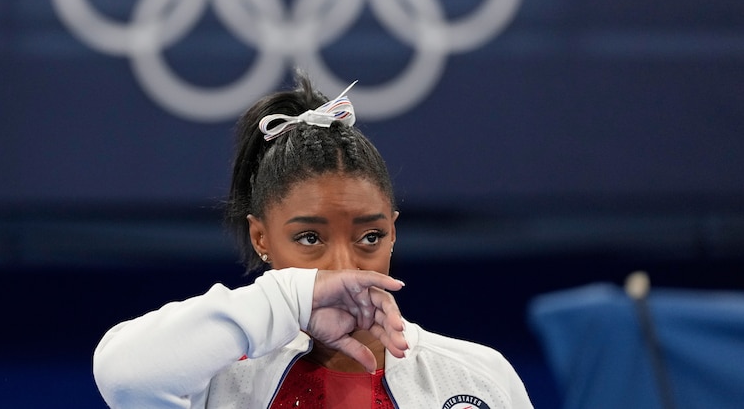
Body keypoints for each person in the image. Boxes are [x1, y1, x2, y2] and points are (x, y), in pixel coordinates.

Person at [93, 71, 534, 408]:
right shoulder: (218, 379)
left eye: (370, 236)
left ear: (394, 233)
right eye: (309, 238)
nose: (344, 267)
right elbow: (123, 376)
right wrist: (289, 299)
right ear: (260, 236)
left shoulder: (477, 377)